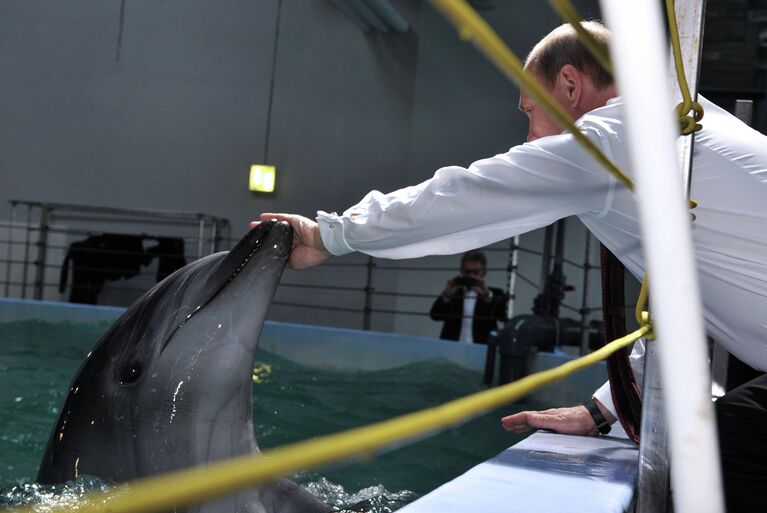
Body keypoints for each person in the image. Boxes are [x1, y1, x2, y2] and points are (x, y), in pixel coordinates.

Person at [254, 21, 767, 512]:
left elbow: (468, 194)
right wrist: (602, 409)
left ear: (569, 85)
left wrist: (329, 236)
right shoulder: (685, 128)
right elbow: (689, 311)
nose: (528, 137)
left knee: (703, 468)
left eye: (529, 112)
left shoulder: (616, 140)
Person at [429, 251, 506, 344]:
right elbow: (434, 316)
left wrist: (488, 296)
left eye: (476, 272)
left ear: (484, 272)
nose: (471, 276)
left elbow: (502, 316)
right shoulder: (453, 292)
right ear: (461, 271)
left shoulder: (496, 293)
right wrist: (446, 296)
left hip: (481, 349)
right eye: (467, 272)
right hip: (452, 347)